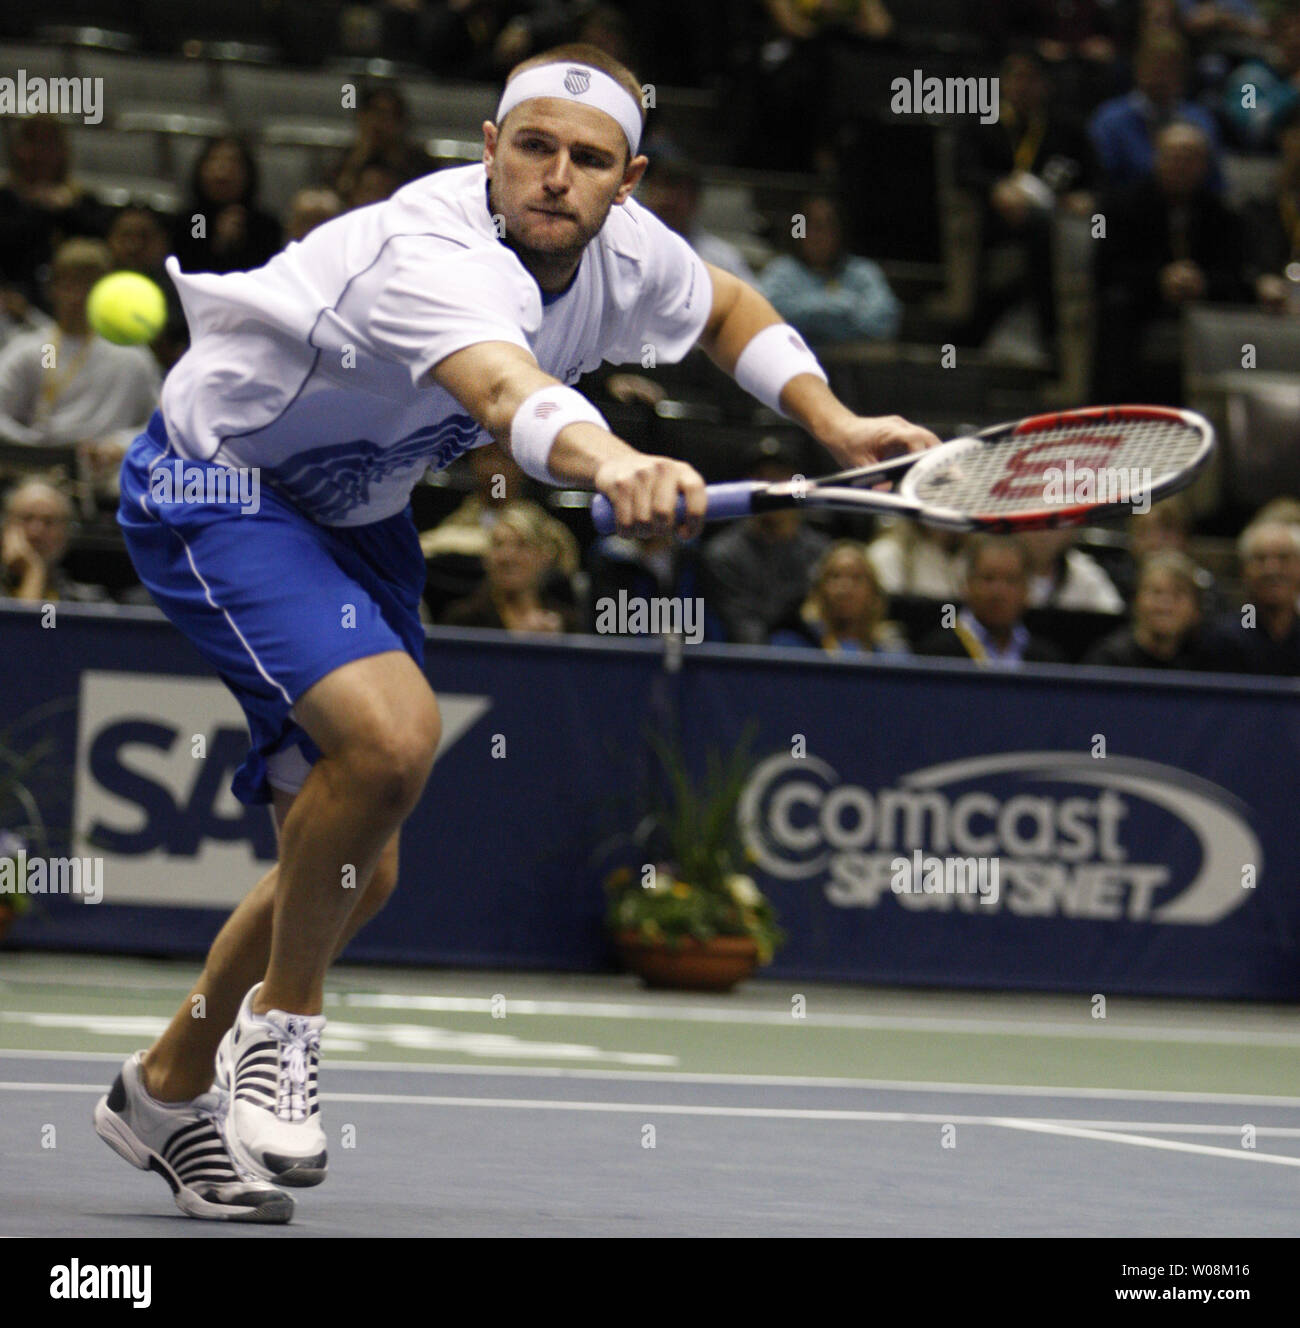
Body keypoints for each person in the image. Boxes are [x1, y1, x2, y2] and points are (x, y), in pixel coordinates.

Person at [94, 41, 939, 1223]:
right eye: (531, 145)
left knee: (354, 869)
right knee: (392, 745)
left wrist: (830, 417)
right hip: (222, 485)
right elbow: (506, 393)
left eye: (586, 158)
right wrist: (617, 458)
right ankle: (279, 1034)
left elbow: (732, 308)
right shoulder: (428, 246)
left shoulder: (630, 254)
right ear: (487, 149)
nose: (555, 174)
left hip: (358, 517)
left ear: (625, 181)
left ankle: (164, 1086)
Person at [1091, 120, 1245, 404]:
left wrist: (1203, 283)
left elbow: (1237, 273)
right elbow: (1106, 270)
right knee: (1115, 306)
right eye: (1173, 158)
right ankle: (1115, 408)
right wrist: (1159, 280)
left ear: (1205, 166)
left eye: (1191, 159)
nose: (1181, 166)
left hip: (1203, 304)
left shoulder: (1223, 214)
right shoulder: (1121, 205)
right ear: (1156, 159)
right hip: (1142, 301)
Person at [0, 240, 160, 493]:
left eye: (89, 285)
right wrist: (32, 445)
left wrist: (119, 445)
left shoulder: (132, 355)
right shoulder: (34, 349)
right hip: (36, 471)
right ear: (52, 288)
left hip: (105, 474)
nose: (78, 295)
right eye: (69, 283)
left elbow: (160, 425)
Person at [702, 445, 833, 644]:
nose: (773, 490)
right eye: (763, 480)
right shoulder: (723, 554)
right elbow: (743, 630)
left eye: (780, 479)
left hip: (819, 661)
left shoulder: (822, 552)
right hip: (751, 664)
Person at [758, 192, 901, 345]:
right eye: (811, 227)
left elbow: (884, 323)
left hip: (854, 360)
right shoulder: (781, 270)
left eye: (826, 227)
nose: (818, 236)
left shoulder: (863, 272)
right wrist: (839, 306)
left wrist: (809, 315)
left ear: (840, 232)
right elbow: (765, 318)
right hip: (792, 359)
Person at [1088, 32, 1223, 187]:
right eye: (1155, 68)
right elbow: (1102, 178)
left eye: (1170, 68)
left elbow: (1215, 182)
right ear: (1138, 69)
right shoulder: (1109, 119)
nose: (1161, 77)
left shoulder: (1201, 120)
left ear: (1183, 73)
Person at [0, 117, 111, 306]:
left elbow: (100, 250)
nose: (40, 154)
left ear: (64, 151)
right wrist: (40, 210)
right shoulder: (5, 201)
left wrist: (67, 211)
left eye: (49, 144)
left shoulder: (84, 203)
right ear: (16, 149)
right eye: (32, 141)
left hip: (75, 305)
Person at [916, 535, 1066, 666]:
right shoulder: (936, 654)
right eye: (988, 579)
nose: (998, 592)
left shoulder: (1046, 660)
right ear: (967, 585)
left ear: (1027, 590)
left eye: (1011, 580)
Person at [439, 500, 577, 632]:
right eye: (498, 544)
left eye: (521, 545)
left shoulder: (567, 624)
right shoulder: (462, 621)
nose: (507, 556)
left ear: (543, 555)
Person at [1084, 550, 1223, 668]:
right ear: (1135, 600)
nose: (1165, 604)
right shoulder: (1108, 662)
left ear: (1196, 609)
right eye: (1156, 592)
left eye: (1178, 594)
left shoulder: (1211, 663)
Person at [769, 539, 909, 654]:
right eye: (834, 576)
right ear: (819, 590)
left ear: (873, 594)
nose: (845, 587)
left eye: (856, 578)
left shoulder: (891, 652)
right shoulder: (790, 648)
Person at [170, 137, 283, 275]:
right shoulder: (196, 220)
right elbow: (191, 265)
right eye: (214, 161)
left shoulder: (265, 225)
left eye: (234, 162)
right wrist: (220, 244)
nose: (222, 171)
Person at [1211, 518, 1300, 674]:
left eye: (1283, 558)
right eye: (1260, 559)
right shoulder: (1225, 639)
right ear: (1243, 572)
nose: (1272, 569)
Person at [1, 478, 106, 603]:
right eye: (26, 518)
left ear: (67, 533)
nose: (35, 532)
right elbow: (20, 623)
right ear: (6, 526)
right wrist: (33, 572)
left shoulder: (89, 603)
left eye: (49, 522)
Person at [331, 84, 436, 204]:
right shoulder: (347, 157)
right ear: (362, 116)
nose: (380, 122)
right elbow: (338, 194)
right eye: (375, 113)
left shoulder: (419, 162)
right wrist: (359, 156)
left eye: (388, 115)